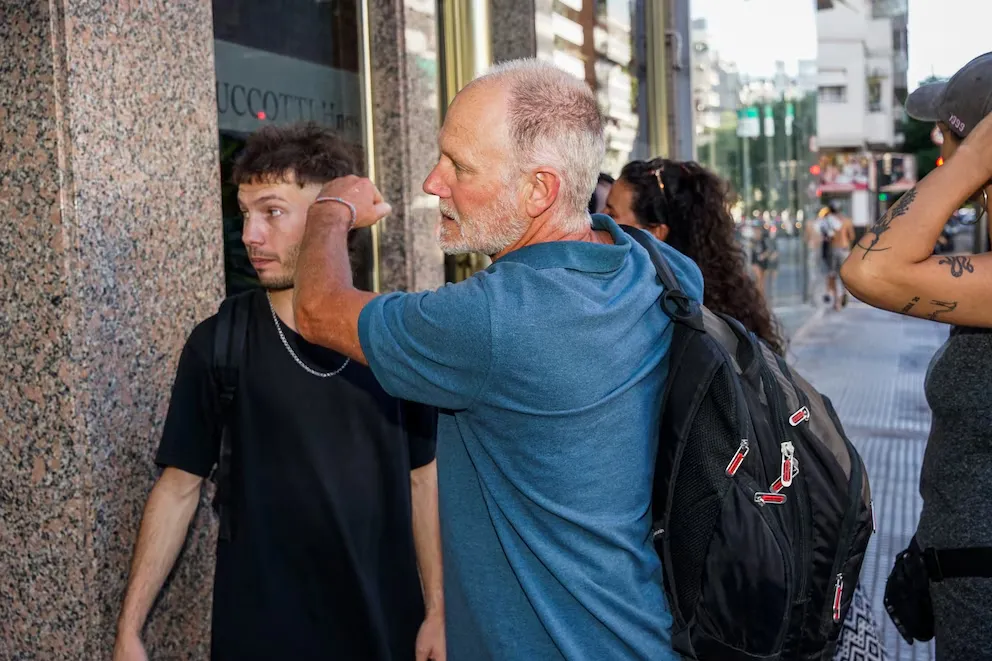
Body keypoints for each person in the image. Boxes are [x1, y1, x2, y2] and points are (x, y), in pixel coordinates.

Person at [292, 59, 703, 660]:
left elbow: (318, 310)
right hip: (640, 634)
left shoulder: (491, 321)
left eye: (459, 165)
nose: (434, 182)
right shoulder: (652, 265)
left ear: (540, 189)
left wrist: (330, 207)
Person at [113, 123, 444, 661]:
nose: (250, 235)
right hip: (261, 633)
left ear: (331, 218)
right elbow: (178, 488)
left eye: (271, 212)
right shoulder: (220, 341)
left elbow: (423, 482)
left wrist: (439, 612)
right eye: (245, 214)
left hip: (385, 627)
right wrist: (130, 629)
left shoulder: (391, 336)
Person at [606, 157, 887, 661]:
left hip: (725, 603)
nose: (597, 226)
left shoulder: (679, 338)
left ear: (656, 233)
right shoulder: (728, 319)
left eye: (612, 214)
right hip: (775, 590)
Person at [840, 52, 992, 660]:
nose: (935, 139)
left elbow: (871, 268)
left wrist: (975, 157)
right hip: (965, 593)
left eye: (947, 128)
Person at [603, 157, 785, 354]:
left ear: (656, 233)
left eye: (611, 215)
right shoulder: (718, 301)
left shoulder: (672, 316)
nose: (598, 218)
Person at [819, 202, 855, 310]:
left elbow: (826, 237)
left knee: (832, 274)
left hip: (833, 249)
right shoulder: (847, 221)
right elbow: (852, 236)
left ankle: (836, 302)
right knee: (844, 274)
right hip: (844, 250)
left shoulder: (828, 221)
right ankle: (845, 292)